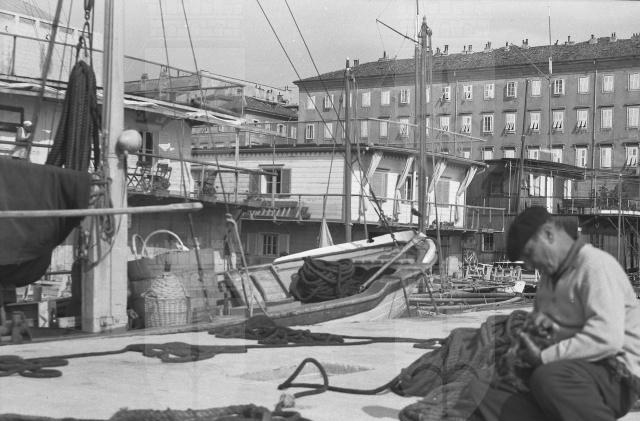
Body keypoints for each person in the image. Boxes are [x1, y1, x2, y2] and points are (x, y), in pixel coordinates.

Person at [470, 206, 640, 421]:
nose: (529, 264)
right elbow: (542, 326)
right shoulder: (548, 279)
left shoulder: (595, 266)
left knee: (548, 378)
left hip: (616, 373)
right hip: (571, 365)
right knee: (484, 389)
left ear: (548, 235)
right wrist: (525, 343)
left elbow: (606, 338)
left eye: (529, 254)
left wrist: (543, 356)